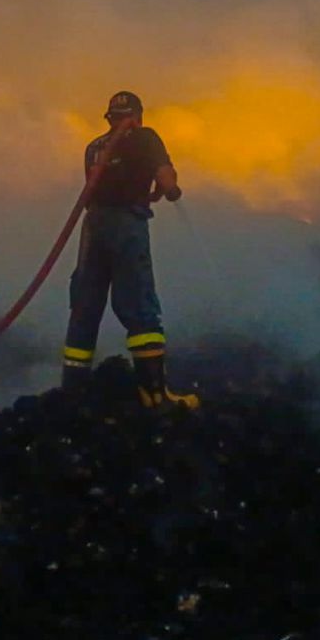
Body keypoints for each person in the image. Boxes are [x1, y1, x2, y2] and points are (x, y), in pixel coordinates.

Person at [62, 91, 199, 409]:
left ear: (109, 117)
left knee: (85, 307)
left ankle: (71, 396)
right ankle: (155, 395)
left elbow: (104, 187)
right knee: (139, 304)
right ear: (137, 116)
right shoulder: (146, 137)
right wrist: (170, 189)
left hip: (93, 227)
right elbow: (164, 176)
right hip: (126, 225)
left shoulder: (94, 148)